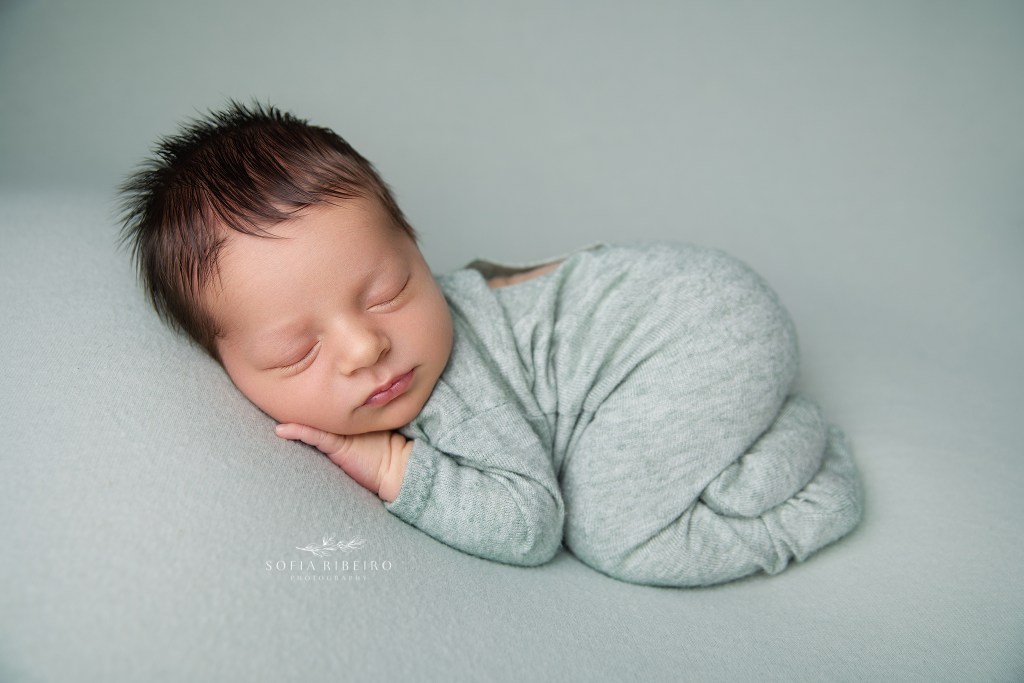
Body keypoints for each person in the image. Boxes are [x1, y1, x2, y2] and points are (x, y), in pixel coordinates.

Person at [120, 102, 863, 587]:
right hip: (687, 317)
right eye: (295, 352)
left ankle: (817, 480)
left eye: (387, 292)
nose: (364, 347)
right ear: (226, 364)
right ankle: (761, 428)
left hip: (696, 329)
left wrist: (393, 463)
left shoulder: (450, 383)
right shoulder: (381, 347)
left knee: (621, 536)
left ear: (415, 244)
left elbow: (532, 522)